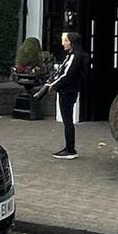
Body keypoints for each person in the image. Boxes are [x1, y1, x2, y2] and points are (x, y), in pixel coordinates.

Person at [37, 32, 87, 160]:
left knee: (68, 121)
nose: (63, 43)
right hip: (66, 91)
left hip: (68, 91)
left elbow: (66, 75)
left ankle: (70, 149)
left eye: (66, 41)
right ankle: (69, 148)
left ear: (72, 42)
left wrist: (52, 86)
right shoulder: (71, 56)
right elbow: (61, 73)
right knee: (67, 120)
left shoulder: (74, 57)